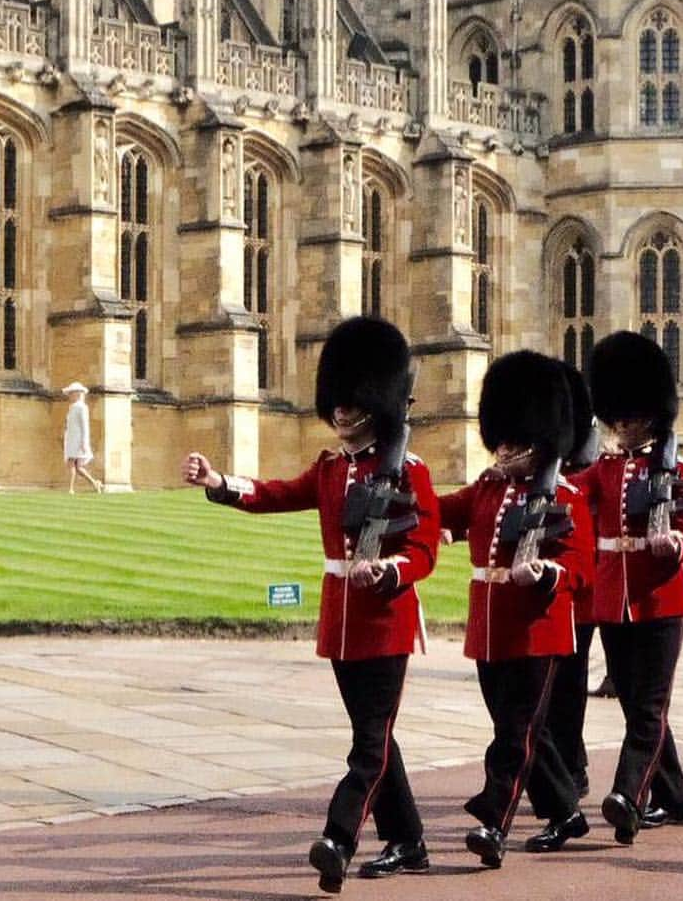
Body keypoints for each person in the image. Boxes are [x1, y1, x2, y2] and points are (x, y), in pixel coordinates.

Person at [182, 317, 440, 894]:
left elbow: (423, 551)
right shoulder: (329, 470)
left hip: (387, 622)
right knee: (378, 736)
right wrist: (220, 480)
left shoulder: (409, 471)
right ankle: (410, 840)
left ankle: (339, 838)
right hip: (342, 625)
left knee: (369, 742)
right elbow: (277, 494)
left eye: (353, 404)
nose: (342, 414)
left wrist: (391, 569)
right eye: (338, 405)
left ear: (377, 404)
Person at [439, 351, 594, 867]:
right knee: (529, 733)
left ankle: (494, 824)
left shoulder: (565, 496)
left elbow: (580, 566)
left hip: (538, 632)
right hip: (490, 630)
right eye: (499, 440)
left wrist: (547, 574)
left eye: (514, 442)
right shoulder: (489, 488)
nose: (503, 450)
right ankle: (566, 813)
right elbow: (443, 510)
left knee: (513, 737)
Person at [572, 332, 683, 844]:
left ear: (653, 415)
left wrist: (676, 541)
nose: (624, 427)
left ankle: (629, 793)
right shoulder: (603, 470)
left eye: (633, 417)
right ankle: (674, 796)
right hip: (614, 604)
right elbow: (568, 496)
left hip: (660, 602)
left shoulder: (678, 469)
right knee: (635, 704)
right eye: (618, 418)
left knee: (648, 708)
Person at [541, 362, 599, 802]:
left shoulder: (589, 470)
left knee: (569, 684)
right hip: (544, 591)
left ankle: (572, 765)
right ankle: (559, 766)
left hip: (581, 593)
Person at [62, 382, 103, 494]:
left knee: (71, 463)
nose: (70, 396)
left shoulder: (81, 407)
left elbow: (84, 425)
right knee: (78, 467)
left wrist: (84, 443)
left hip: (77, 440)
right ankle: (95, 483)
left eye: (71, 393)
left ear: (77, 394)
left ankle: (70, 489)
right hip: (72, 439)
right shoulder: (73, 407)